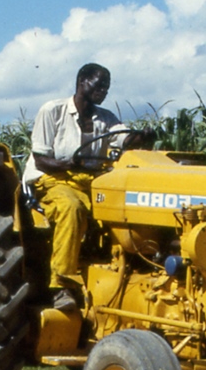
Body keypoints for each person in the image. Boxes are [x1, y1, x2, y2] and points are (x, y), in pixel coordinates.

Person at [23, 63, 152, 311]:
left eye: (106, 87)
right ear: (82, 81)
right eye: (98, 84)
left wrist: (142, 137)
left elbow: (123, 137)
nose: (103, 91)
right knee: (71, 208)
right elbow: (40, 158)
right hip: (53, 178)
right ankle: (61, 285)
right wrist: (67, 163)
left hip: (89, 181)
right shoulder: (53, 111)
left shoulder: (105, 118)